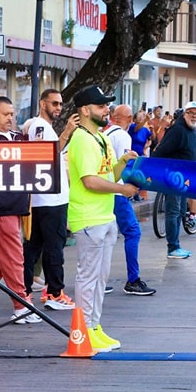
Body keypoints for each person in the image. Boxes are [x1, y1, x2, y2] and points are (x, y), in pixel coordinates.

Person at [67, 86, 141, 352]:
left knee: (100, 278)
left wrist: (123, 160)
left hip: (104, 216)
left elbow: (110, 174)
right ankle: (84, 330)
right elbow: (89, 181)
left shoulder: (101, 138)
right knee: (89, 278)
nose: (106, 109)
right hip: (88, 218)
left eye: (106, 105)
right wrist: (122, 190)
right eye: (100, 106)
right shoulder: (82, 139)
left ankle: (94, 327)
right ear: (85, 110)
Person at [0, 96, 40, 324]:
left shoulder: (16, 137)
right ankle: (21, 304)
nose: (10, 118)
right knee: (13, 257)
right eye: (5, 114)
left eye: (12, 114)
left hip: (15, 204)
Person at [22, 89, 78, 310]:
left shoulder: (38, 126)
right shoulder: (39, 126)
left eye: (60, 104)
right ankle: (54, 292)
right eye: (54, 103)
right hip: (49, 199)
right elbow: (44, 155)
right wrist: (66, 133)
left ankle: (26, 290)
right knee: (53, 247)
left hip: (44, 197)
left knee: (35, 247)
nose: (58, 108)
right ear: (42, 103)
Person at [103, 104, 157, 294]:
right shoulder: (123, 136)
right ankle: (133, 280)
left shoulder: (104, 134)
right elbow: (124, 166)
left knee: (105, 236)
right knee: (133, 232)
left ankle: (98, 279)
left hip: (102, 192)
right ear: (126, 119)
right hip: (117, 192)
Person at [151, 102, 196, 258]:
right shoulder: (178, 130)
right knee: (173, 212)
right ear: (184, 114)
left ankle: (176, 245)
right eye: (190, 112)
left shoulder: (194, 132)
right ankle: (172, 247)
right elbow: (160, 152)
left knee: (180, 211)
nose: (194, 116)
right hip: (173, 177)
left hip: (185, 179)